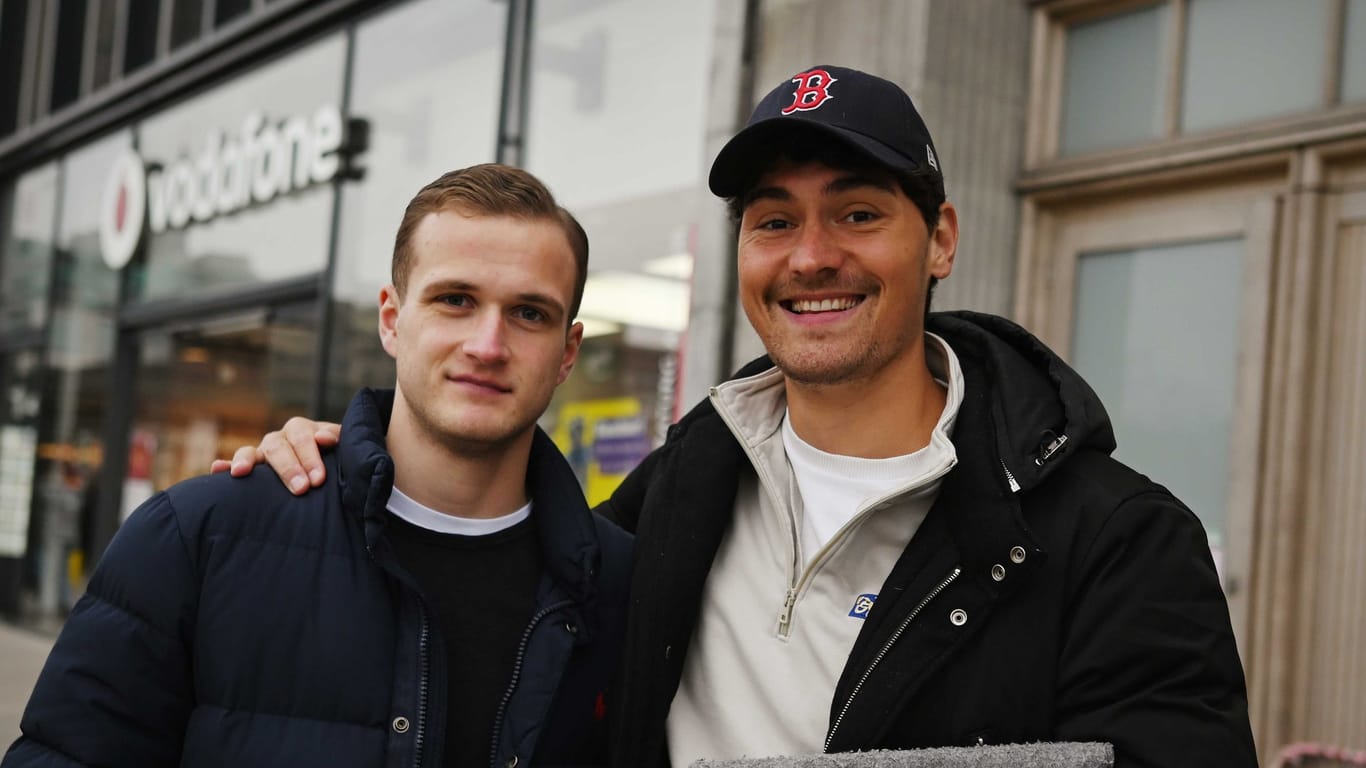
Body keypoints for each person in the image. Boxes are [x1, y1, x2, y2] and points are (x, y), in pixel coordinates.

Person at [217, 67, 1258, 767]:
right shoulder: (672, 495)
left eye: (857, 212)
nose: (810, 255)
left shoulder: (1117, 543)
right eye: (773, 220)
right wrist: (348, 469)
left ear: (937, 238)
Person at [4, 164, 632, 768]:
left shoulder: (622, 587)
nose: (488, 345)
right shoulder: (199, 537)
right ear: (392, 320)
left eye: (529, 314)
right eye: (455, 299)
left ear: (567, 352)